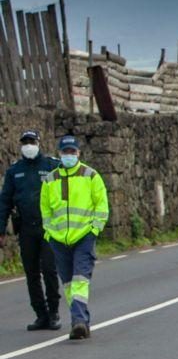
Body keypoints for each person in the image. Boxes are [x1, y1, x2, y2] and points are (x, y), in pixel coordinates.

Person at [40, 135, 109, 341]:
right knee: (69, 283)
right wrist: (50, 232)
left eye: (72, 151)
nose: (69, 155)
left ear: (78, 153)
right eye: (65, 152)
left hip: (84, 237)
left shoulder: (91, 175)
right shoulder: (50, 179)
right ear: (59, 154)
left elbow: (101, 205)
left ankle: (78, 321)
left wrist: (94, 229)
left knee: (80, 279)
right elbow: (45, 209)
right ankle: (81, 321)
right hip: (59, 240)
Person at [0, 130, 63, 331]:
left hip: (48, 227)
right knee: (31, 273)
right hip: (26, 227)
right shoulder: (14, 171)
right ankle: (41, 315)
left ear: (38, 143)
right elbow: (4, 201)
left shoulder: (51, 166)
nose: (28, 145)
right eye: (25, 142)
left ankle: (53, 312)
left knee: (49, 270)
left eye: (31, 141)